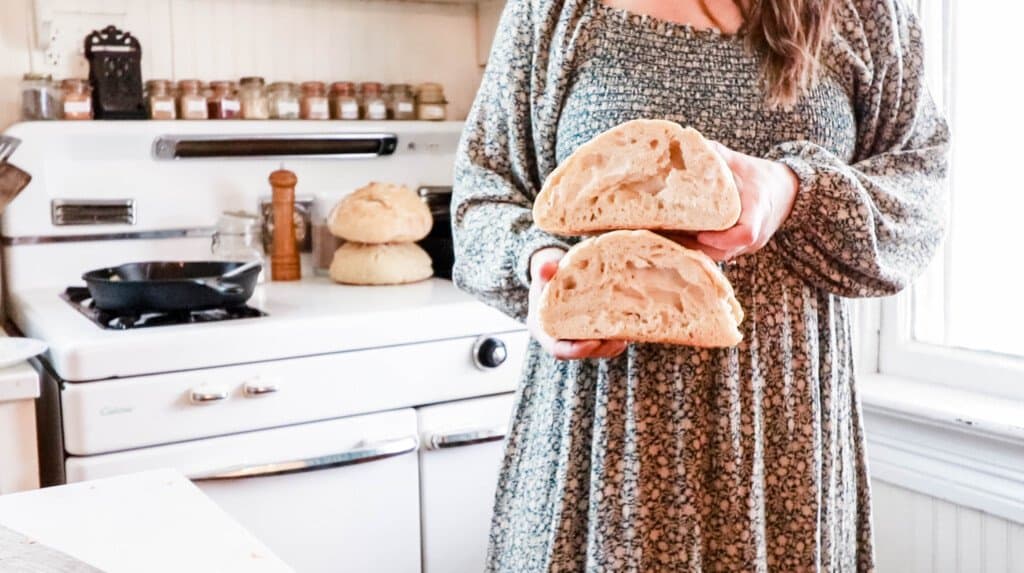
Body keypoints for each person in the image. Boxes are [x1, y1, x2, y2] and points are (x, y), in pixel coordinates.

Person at [451, 0, 949, 569]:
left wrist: (791, 189)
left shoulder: (866, 13)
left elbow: (920, 199)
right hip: (602, 433)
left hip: (784, 436)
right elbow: (481, 195)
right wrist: (541, 265)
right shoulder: (556, 10)